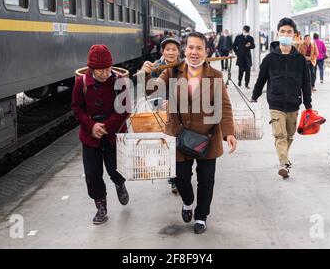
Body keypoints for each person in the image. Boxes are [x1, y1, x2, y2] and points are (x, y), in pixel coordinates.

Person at [141, 32, 237, 234]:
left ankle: (201, 216)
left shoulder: (215, 76)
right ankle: (188, 201)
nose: (194, 52)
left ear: (206, 51)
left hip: (208, 137)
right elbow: (152, 90)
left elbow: (225, 107)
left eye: (199, 48)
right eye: (191, 48)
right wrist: (147, 73)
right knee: (181, 177)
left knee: (206, 180)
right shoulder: (172, 72)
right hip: (179, 136)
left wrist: (229, 133)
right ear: (185, 50)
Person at [71, 45, 130, 225]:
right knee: (92, 173)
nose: (104, 73)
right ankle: (101, 207)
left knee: (114, 169)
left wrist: (106, 126)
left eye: (107, 68)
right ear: (91, 68)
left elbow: (125, 109)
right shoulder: (81, 83)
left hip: (114, 132)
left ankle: (120, 184)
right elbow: (77, 108)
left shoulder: (119, 81)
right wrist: (91, 126)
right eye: (100, 70)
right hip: (90, 135)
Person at [251, 18, 312, 179]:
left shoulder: (300, 60)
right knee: (280, 135)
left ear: (294, 35)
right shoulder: (269, 59)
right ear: (278, 34)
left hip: (293, 104)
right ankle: (284, 164)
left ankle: (284, 157)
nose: (285, 34)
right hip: (276, 104)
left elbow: (306, 83)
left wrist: (308, 104)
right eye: (282, 32)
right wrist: (254, 97)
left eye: (289, 32)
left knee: (290, 135)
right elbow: (261, 80)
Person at [151, 37, 182, 195]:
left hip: (181, 112)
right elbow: (152, 88)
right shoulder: (156, 66)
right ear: (162, 51)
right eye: (167, 49)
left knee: (179, 145)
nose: (170, 52)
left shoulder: (185, 66)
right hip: (161, 109)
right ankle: (173, 178)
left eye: (174, 49)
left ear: (179, 51)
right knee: (167, 145)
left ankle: (179, 177)